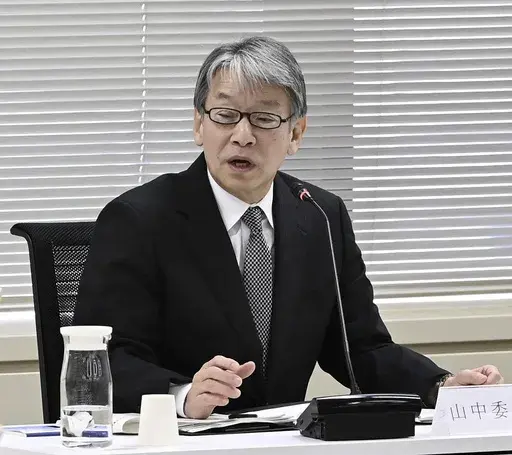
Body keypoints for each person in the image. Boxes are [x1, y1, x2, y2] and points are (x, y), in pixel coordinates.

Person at [74, 36, 503, 420]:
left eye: (264, 119)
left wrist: (440, 387)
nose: (242, 135)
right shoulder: (139, 219)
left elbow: (361, 348)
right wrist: (184, 395)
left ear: (296, 133)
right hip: (179, 441)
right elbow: (101, 359)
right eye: (225, 115)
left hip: (284, 442)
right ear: (199, 124)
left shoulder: (319, 216)